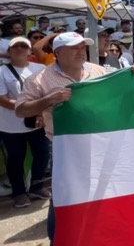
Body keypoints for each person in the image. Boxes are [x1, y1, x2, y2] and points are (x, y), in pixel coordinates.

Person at [15, 32, 108, 244]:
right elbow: (21, 110)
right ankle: (58, 238)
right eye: (74, 47)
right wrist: (49, 99)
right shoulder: (39, 79)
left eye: (82, 47)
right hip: (65, 149)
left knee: (97, 193)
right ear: (57, 52)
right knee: (63, 197)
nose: (80, 51)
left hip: (98, 145)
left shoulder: (97, 71)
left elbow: (119, 90)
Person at [0, 37, 49, 208]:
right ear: (9, 51)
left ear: (29, 51)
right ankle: (19, 193)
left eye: (24, 46)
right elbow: (3, 100)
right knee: (15, 159)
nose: (20, 49)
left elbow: (46, 93)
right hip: (11, 126)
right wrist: (30, 107)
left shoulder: (41, 69)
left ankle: (37, 186)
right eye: (15, 46)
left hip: (37, 122)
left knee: (43, 154)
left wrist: (38, 110)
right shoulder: (2, 72)